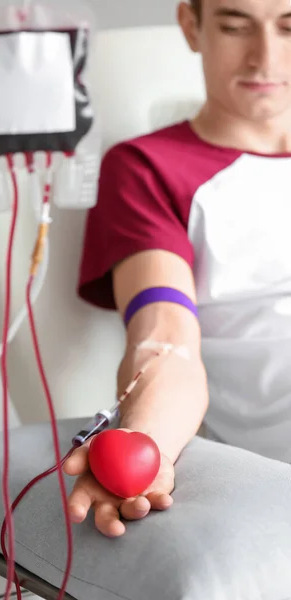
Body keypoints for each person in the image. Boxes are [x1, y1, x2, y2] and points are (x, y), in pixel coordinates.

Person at [63, 0, 291, 538]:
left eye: (290, 28)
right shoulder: (147, 169)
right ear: (191, 24)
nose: (266, 57)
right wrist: (146, 442)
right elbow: (166, 340)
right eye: (236, 27)